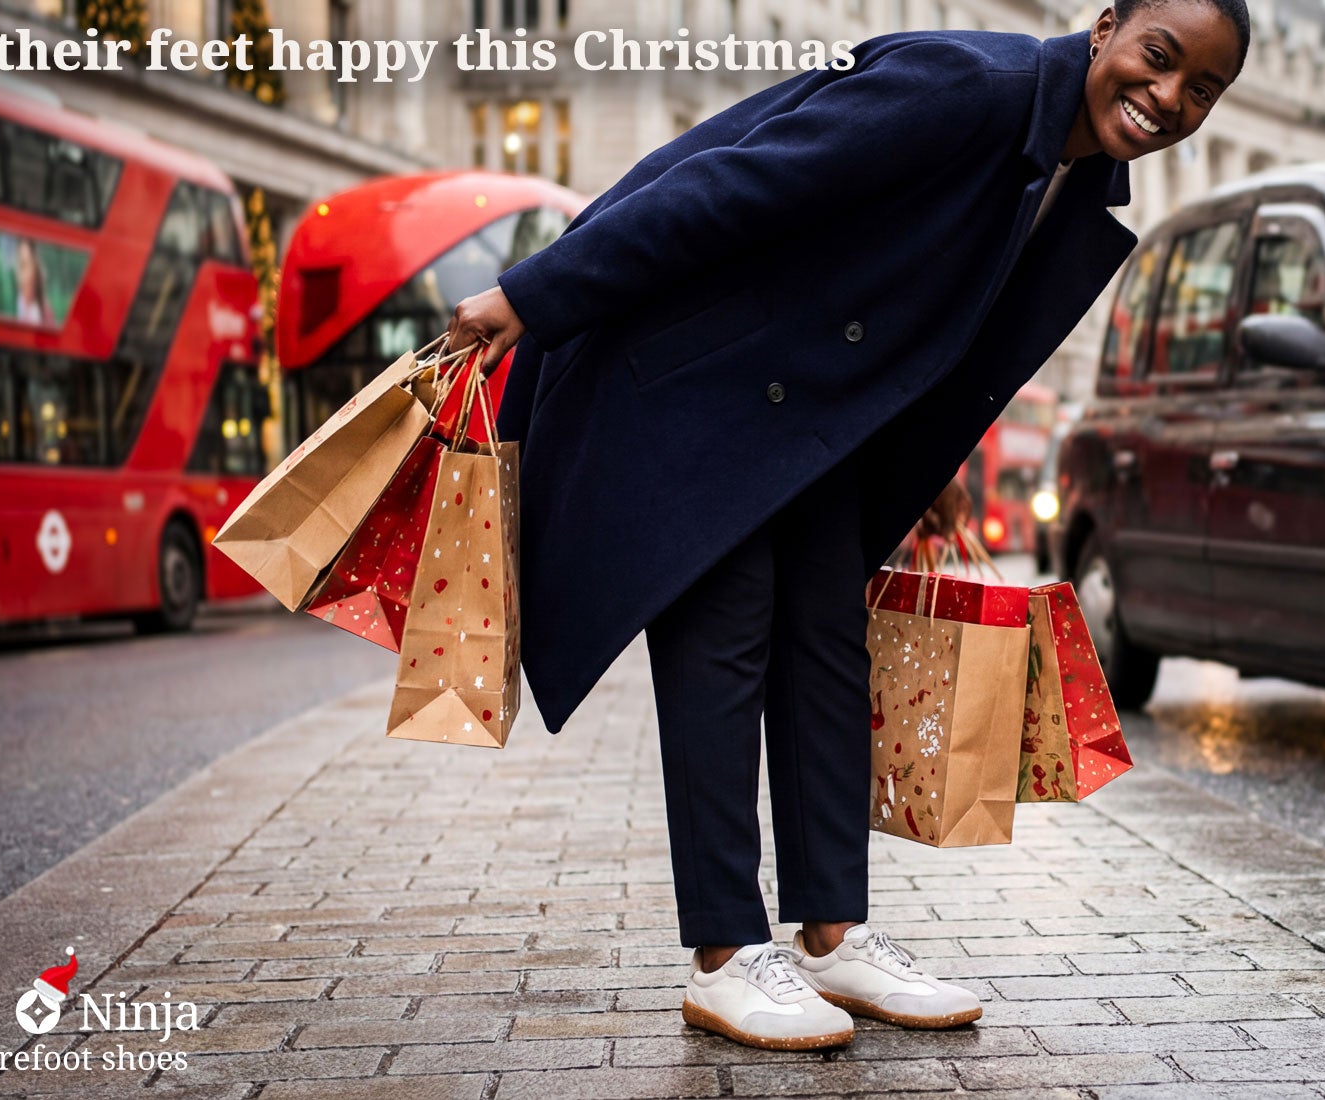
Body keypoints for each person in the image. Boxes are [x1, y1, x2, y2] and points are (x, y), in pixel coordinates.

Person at [444, 0, 1249, 1052]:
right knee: (723, 639)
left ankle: (831, 931)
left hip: (808, 407)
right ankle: (726, 954)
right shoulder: (968, 86)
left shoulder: (1075, 167)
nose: (1169, 98)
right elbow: (730, 177)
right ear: (1104, 29)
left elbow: (940, 323)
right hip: (699, 373)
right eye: (1159, 57)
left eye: (1202, 90)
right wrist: (536, 292)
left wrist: (931, 468)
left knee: (827, 643)